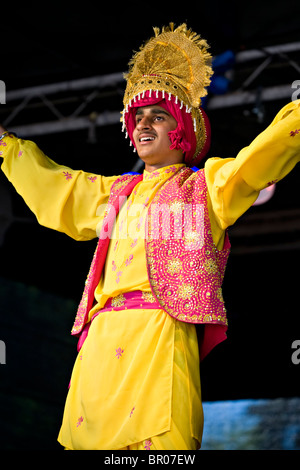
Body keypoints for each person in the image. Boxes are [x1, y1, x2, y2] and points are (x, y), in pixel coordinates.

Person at [1, 23, 300, 451]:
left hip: (160, 329)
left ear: (180, 128)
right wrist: (5, 146)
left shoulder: (204, 188)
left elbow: (253, 162)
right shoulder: (114, 192)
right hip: (101, 336)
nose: (144, 124)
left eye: (157, 116)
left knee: (162, 449)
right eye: (138, 117)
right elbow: (57, 189)